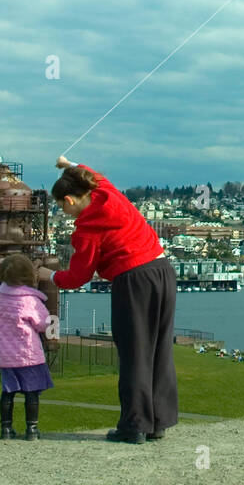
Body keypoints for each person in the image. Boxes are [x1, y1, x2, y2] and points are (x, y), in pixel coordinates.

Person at [52, 158, 176, 443]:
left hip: (133, 280)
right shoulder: (107, 193)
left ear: (69, 200)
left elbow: (77, 277)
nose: (64, 212)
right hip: (163, 271)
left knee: (135, 353)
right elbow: (93, 175)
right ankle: (158, 422)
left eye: (62, 206)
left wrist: (49, 276)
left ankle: (134, 426)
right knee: (159, 349)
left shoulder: (87, 229)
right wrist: (67, 164)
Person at [0, 253, 54, 440]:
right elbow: (43, 323)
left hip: (6, 356)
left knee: (7, 392)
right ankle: (32, 429)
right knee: (32, 393)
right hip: (28, 355)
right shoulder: (29, 300)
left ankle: (6, 429)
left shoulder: (1, 297)